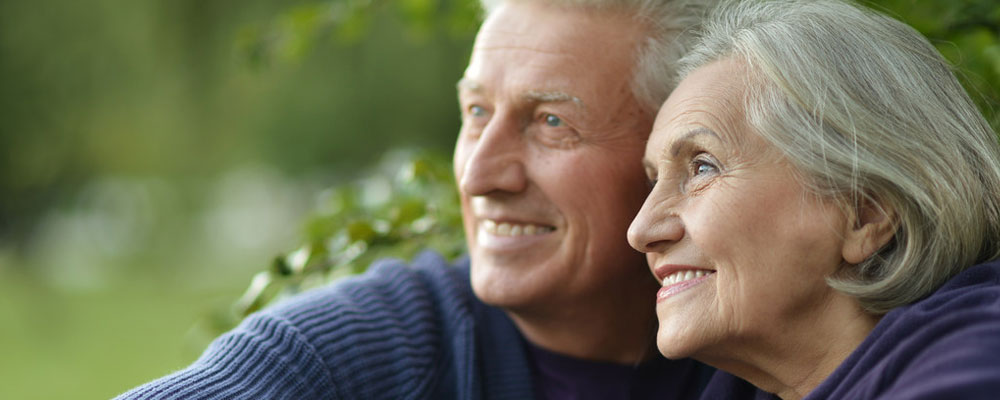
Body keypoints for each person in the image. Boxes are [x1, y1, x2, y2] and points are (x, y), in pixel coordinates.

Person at [117, 0, 718, 399]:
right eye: (477, 112)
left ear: (680, 155)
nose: (480, 174)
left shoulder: (772, 350)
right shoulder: (342, 359)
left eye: (552, 122)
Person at [626, 0, 1000, 399]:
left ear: (865, 212)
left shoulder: (974, 364)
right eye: (653, 182)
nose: (640, 231)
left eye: (703, 167)